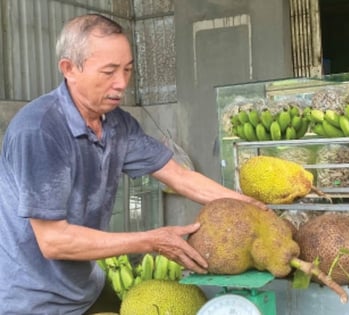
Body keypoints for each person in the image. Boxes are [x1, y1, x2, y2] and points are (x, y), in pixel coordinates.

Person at [0, 13, 266, 314]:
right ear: (69, 69)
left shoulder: (118, 125)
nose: (121, 84)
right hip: (30, 300)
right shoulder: (39, 130)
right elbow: (54, 241)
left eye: (127, 70)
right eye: (109, 71)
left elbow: (180, 177)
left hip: (85, 289)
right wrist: (150, 240)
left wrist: (253, 209)